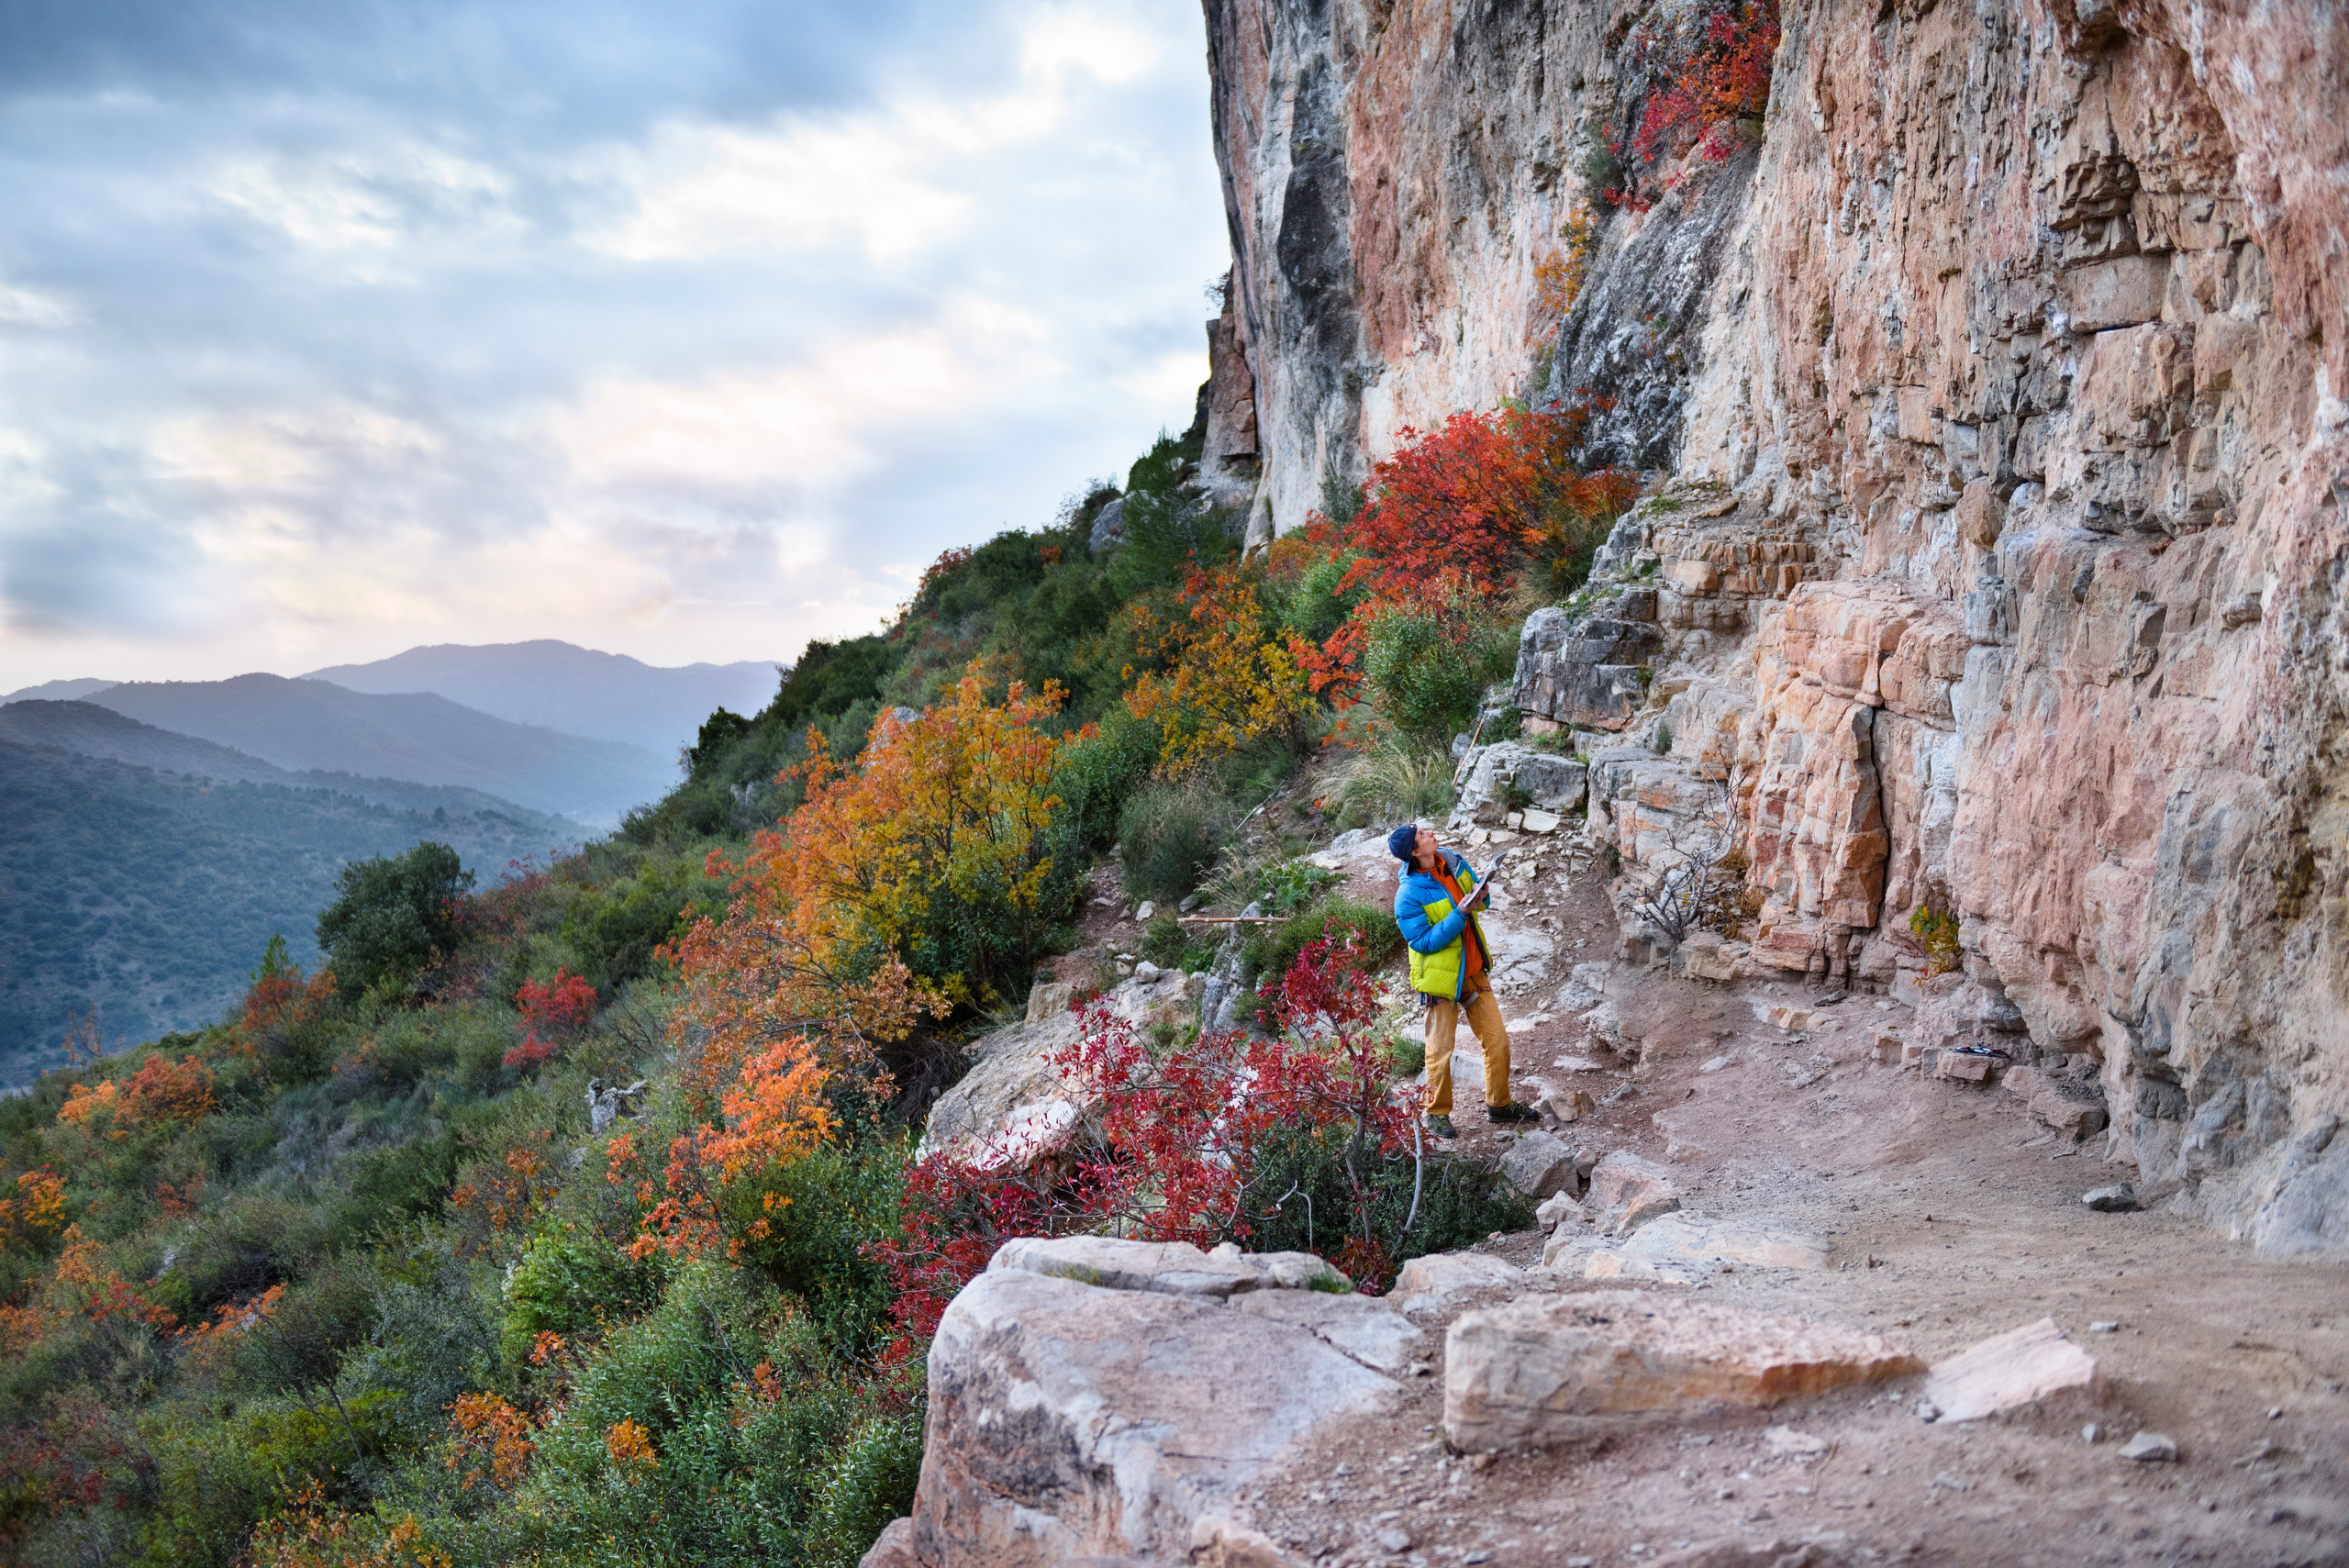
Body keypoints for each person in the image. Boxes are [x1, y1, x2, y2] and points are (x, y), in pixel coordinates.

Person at [1387, 822, 1537, 1139]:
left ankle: (1500, 1106)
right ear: (1415, 852)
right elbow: (1423, 942)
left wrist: (1481, 896)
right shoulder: (1407, 895)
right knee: (1440, 1050)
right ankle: (1436, 1114)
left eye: (1425, 830)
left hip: (1473, 970)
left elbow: (1483, 902)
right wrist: (1459, 913)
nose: (1429, 833)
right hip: (1440, 982)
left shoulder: (1452, 861)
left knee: (1497, 1040)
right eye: (1421, 835)